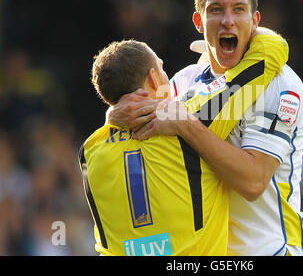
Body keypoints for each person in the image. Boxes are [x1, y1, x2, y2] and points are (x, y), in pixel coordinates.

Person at [108, 0, 303, 256]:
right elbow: (139, 127)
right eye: (216, 9)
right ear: (199, 21)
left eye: (238, 9)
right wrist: (113, 116)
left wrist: (185, 123)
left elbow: (253, 182)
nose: (228, 20)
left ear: (255, 21)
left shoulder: (281, 84)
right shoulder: (183, 80)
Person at [79, 34, 288, 255]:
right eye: (162, 69)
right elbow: (272, 50)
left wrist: (111, 115)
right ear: (154, 79)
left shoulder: (90, 151)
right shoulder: (190, 119)